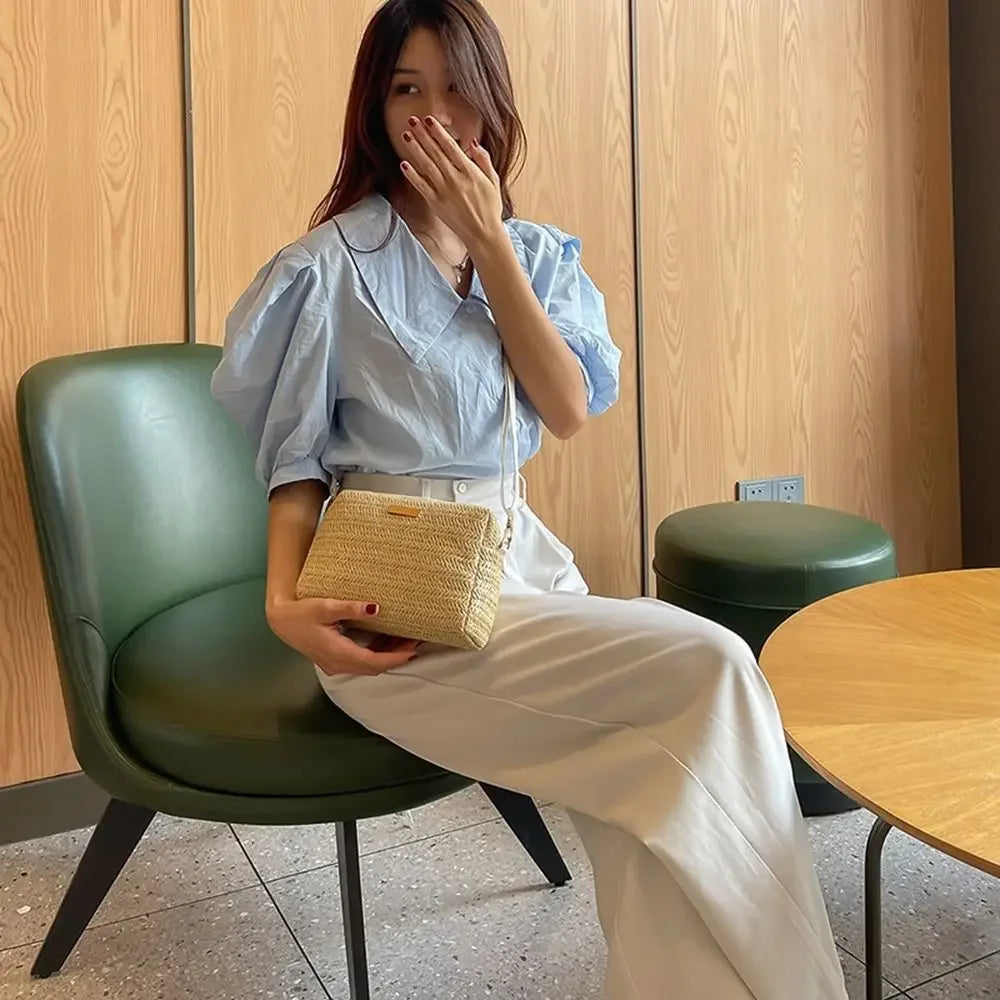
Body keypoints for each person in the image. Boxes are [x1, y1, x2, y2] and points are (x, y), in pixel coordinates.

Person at [211, 1, 848, 996]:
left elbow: (566, 408)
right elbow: (294, 465)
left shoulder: (538, 257)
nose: (435, 116)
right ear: (374, 108)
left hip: (521, 559)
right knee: (713, 666)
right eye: (407, 90)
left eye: (457, 89)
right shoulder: (326, 268)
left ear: (493, 103)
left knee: (649, 789)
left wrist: (491, 243)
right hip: (401, 599)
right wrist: (282, 605)